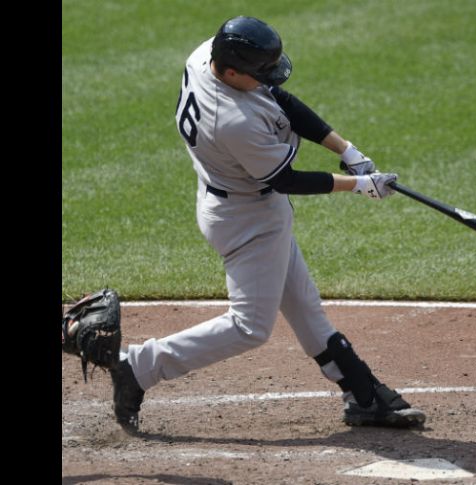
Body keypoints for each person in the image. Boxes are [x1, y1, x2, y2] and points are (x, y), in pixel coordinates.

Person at [108, 15, 426, 433]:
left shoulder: (207, 55)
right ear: (232, 72)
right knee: (250, 327)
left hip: (235, 201)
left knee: (304, 307)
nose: (266, 80)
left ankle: (363, 394)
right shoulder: (231, 120)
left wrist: (346, 149)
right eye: (259, 73)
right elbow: (285, 180)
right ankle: (138, 367)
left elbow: (279, 100)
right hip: (249, 220)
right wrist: (359, 186)